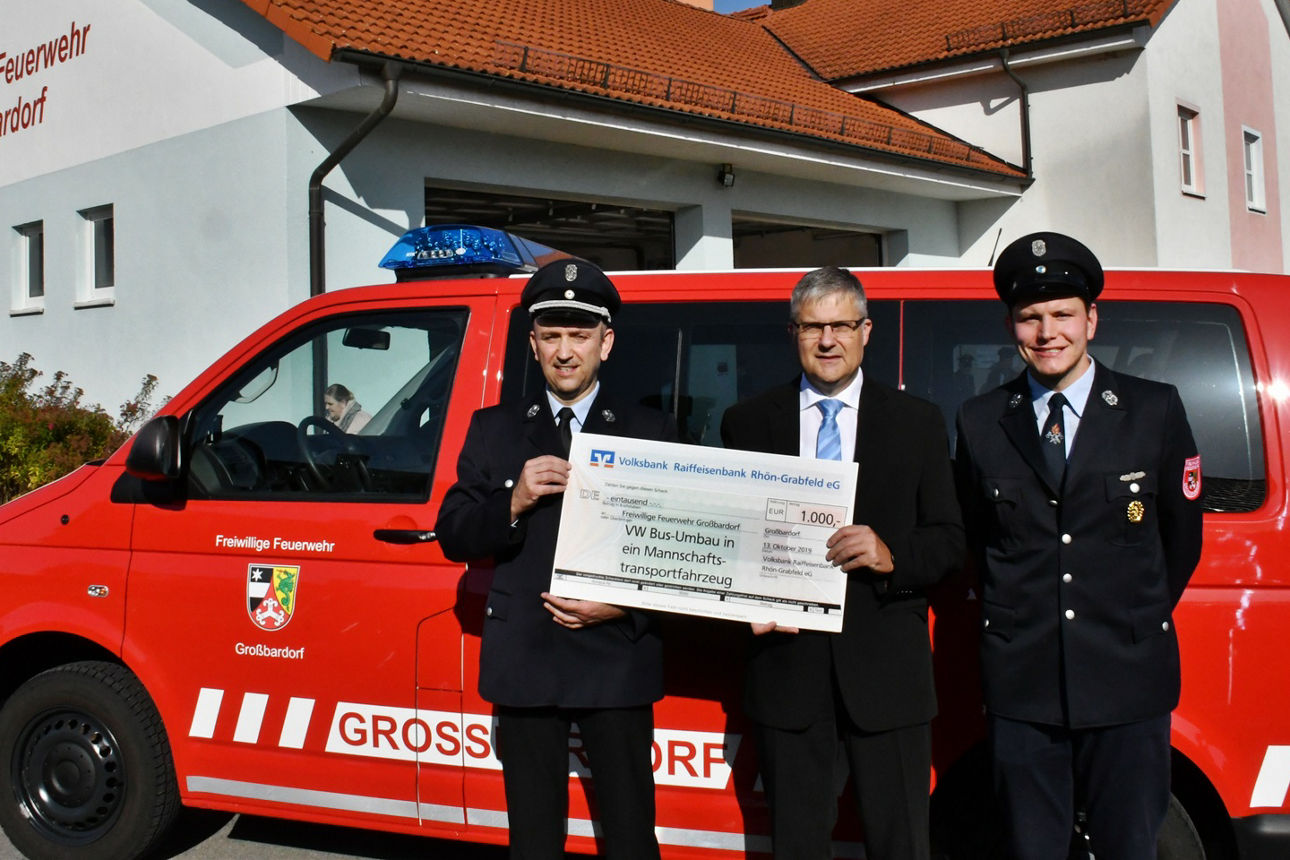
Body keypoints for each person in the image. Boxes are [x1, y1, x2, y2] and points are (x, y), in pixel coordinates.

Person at [953, 233, 1204, 860]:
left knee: (1128, 847)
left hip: (1127, 677)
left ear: (1091, 318)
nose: (1047, 332)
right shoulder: (981, 420)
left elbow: (1181, 541)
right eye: (1029, 317)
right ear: (1011, 324)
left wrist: (1125, 615)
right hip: (1023, 684)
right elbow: (978, 545)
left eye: (1062, 313)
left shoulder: (1154, 408)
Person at [720, 266, 964, 860]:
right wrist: (743, 600)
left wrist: (891, 555)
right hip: (787, 672)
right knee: (797, 848)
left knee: (900, 844)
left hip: (888, 676)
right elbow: (726, 542)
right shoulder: (747, 423)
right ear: (794, 333)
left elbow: (952, 541)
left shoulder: (918, 422)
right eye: (812, 327)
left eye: (841, 326)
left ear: (866, 331)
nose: (827, 340)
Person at [435, 258, 674, 860]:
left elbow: (680, 559)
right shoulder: (494, 430)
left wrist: (621, 607)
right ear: (533, 342)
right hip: (528, 665)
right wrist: (511, 500)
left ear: (606, 342)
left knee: (629, 838)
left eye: (580, 335)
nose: (565, 352)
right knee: (535, 842)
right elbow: (454, 533)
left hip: (616, 663)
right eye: (551, 336)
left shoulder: (652, 431)